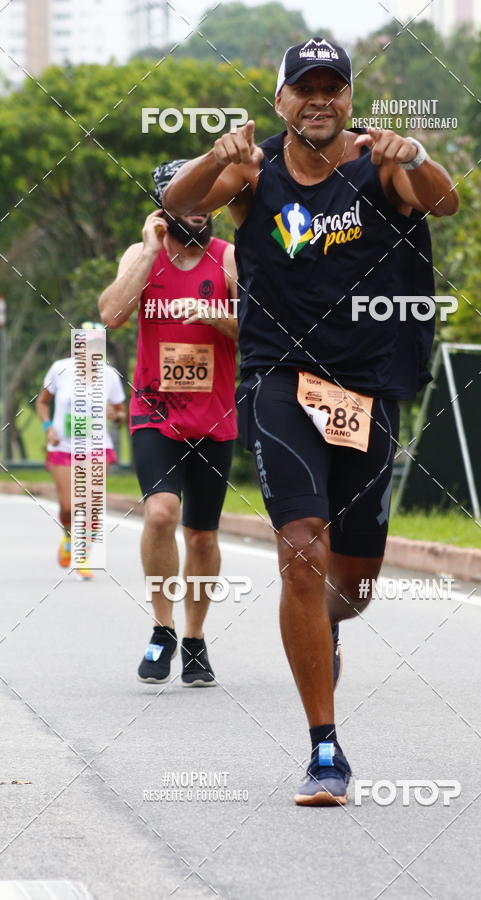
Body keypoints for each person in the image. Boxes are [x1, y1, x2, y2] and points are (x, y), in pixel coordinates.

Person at [163, 37, 459, 803]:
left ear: (350, 99)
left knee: (352, 589)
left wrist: (418, 150)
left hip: (366, 387)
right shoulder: (252, 170)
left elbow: (443, 200)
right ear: (282, 99)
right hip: (278, 381)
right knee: (301, 548)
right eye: (305, 87)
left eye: (333, 87)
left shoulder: (379, 163)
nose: (319, 100)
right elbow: (179, 205)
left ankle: (321, 626)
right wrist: (210, 153)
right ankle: (324, 749)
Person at [98, 161, 238, 688]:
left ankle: (196, 639)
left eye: (207, 201)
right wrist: (151, 251)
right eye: (188, 201)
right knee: (161, 514)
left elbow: (264, 326)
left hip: (214, 416)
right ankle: (162, 628)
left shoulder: (228, 259)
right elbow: (111, 314)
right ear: (165, 206)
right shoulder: (141, 255)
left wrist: (212, 314)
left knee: (201, 537)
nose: (199, 211)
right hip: (154, 411)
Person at [36, 321, 126, 581]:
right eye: (87, 344)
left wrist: (115, 415)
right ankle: (68, 536)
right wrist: (47, 427)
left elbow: (121, 414)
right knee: (67, 508)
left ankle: (83, 554)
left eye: (98, 345)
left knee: (91, 506)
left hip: (98, 448)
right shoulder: (60, 370)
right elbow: (42, 403)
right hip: (63, 447)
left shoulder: (109, 375)